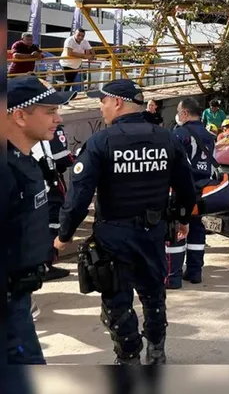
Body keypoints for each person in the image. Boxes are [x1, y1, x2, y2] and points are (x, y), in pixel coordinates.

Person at [55, 79, 197, 365]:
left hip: (113, 237)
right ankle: (156, 351)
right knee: (153, 294)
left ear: (117, 102)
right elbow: (186, 186)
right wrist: (182, 218)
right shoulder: (166, 138)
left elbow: (79, 196)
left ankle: (129, 358)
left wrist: (64, 235)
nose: (101, 107)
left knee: (117, 301)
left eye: (103, 101)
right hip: (153, 233)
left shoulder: (100, 142)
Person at [6, 76, 76, 365]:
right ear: (20, 115)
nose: (58, 119)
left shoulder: (23, 161)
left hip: (18, 298)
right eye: (50, 111)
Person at [166, 98, 215, 288]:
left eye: (179, 112)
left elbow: (173, 163)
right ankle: (195, 272)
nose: (177, 116)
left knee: (176, 229)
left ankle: (173, 277)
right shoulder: (209, 135)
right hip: (203, 188)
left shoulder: (180, 134)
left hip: (182, 189)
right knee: (196, 228)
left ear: (185, 113)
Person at [31, 122, 76, 281]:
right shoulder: (52, 128)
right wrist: (78, 158)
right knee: (53, 221)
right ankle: (46, 264)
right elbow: (61, 157)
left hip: (37, 181)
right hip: (50, 183)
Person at [59, 28, 94, 92]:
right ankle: (63, 98)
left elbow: (91, 51)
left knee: (70, 82)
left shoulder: (85, 41)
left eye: (82, 36)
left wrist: (91, 55)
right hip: (66, 63)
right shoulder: (69, 40)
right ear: (74, 34)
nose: (80, 37)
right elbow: (69, 53)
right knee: (68, 82)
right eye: (78, 35)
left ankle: (65, 96)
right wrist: (84, 56)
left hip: (76, 65)